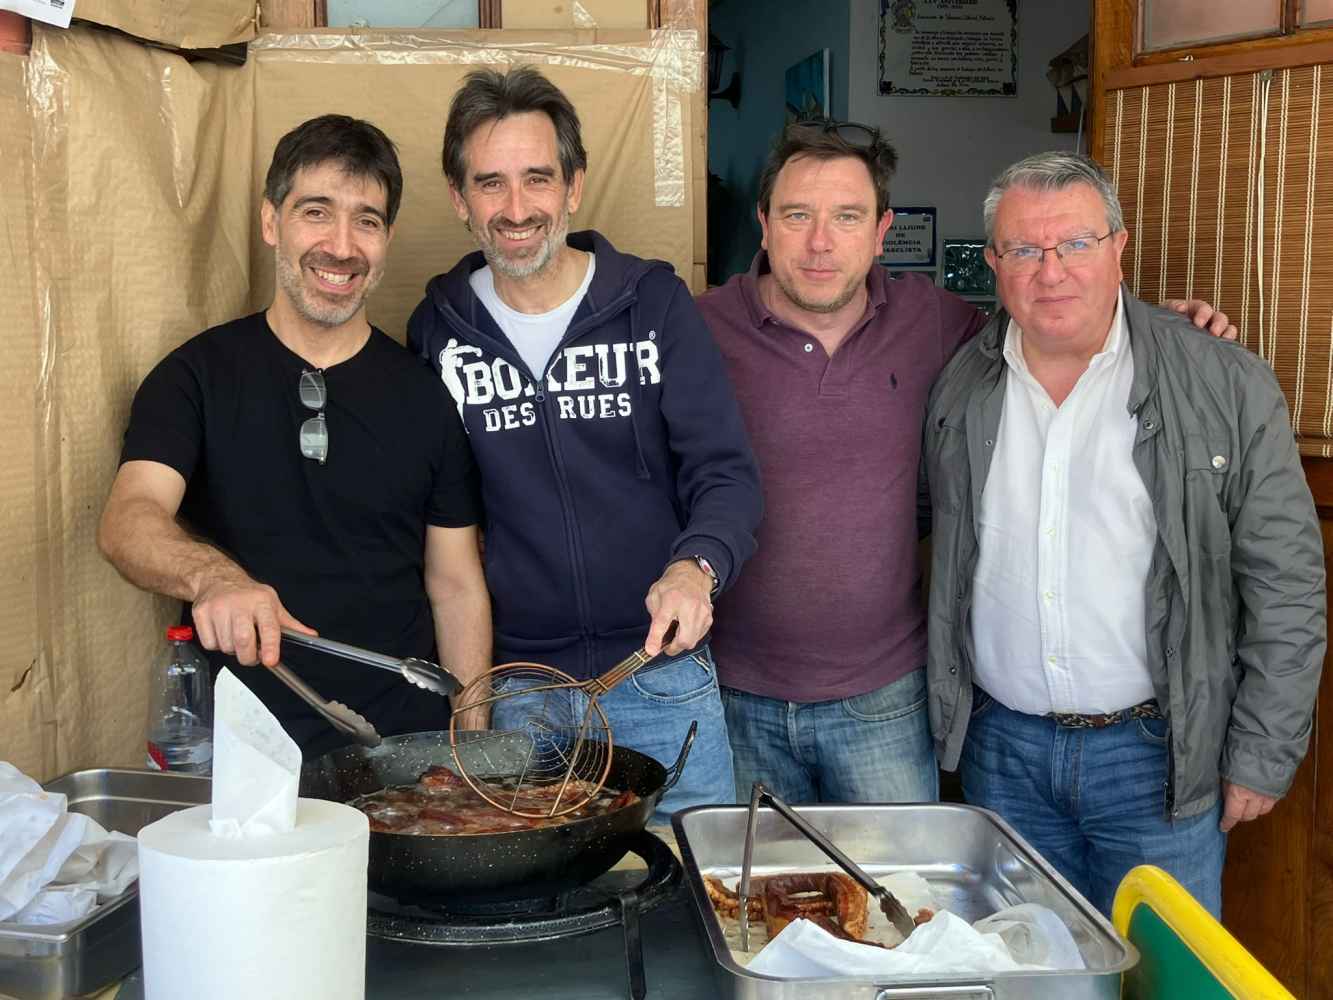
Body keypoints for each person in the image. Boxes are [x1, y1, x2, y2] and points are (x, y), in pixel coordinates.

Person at [696, 120, 1237, 805]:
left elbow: (1057, 323)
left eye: (847, 216)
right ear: (764, 224)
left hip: (885, 698)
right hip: (731, 691)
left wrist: (1165, 334)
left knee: (898, 877)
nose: (820, 242)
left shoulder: (940, 324)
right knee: (743, 877)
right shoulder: (696, 329)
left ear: (882, 229)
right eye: (797, 215)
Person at [922, 151, 1325, 917]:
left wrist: (1261, 751)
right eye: (1024, 249)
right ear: (993, 263)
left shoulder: (1221, 379)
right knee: (1024, 963)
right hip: (1000, 754)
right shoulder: (959, 382)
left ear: (1118, 248)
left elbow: (1285, 580)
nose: (1051, 271)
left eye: (1075, 243)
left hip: (1155, 759)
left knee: (1158, 970)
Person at [406, 67, 763, 817]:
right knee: (534, 888)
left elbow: (724, 472)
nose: (516, 208)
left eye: (537, 178)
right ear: (459, 198)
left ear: (573, 186)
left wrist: (695, 568)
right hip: (519, 691)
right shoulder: (437, 332)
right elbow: (442, 527)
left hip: (659, 674)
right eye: (490, 183)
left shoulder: (653, 304)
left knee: (689, 874)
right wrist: (472, 709)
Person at [98, 115, 492, 756]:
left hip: (401, 753)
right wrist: (212, 578)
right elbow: (127, 520)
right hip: (242, 751)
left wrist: (473, 749)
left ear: (386, 239)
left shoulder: (426, 398)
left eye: (366, 221)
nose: (342, 246)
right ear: (270, 222)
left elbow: (455, 585)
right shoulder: (195, 376)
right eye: (316, 212)